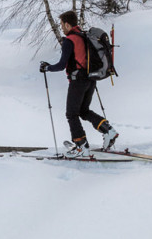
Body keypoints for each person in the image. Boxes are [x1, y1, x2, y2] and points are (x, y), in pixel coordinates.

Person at [40, 11, 119, 158]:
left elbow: (62, 65)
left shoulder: (70, 40)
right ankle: (108, 130)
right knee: (83, 111)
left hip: (78, 82)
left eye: (62, 24)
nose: (61, 27)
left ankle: (81, 145)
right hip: (91, 80)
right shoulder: (84, 36)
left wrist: (47, 67)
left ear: (67, 24)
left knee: (71, 114)